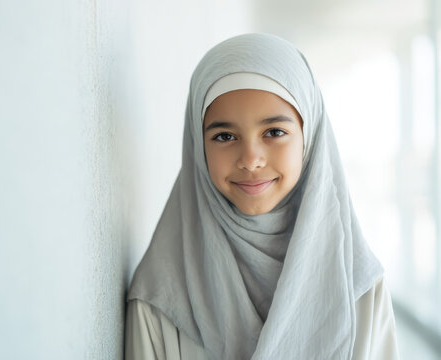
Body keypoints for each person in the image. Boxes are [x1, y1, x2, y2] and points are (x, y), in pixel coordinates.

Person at [125, 33, 399, 359]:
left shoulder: (358, 287)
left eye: (274, 132)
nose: (251, 159)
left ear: (308, 140)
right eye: (225, 136)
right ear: (199, 147)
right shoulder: (161, 296)